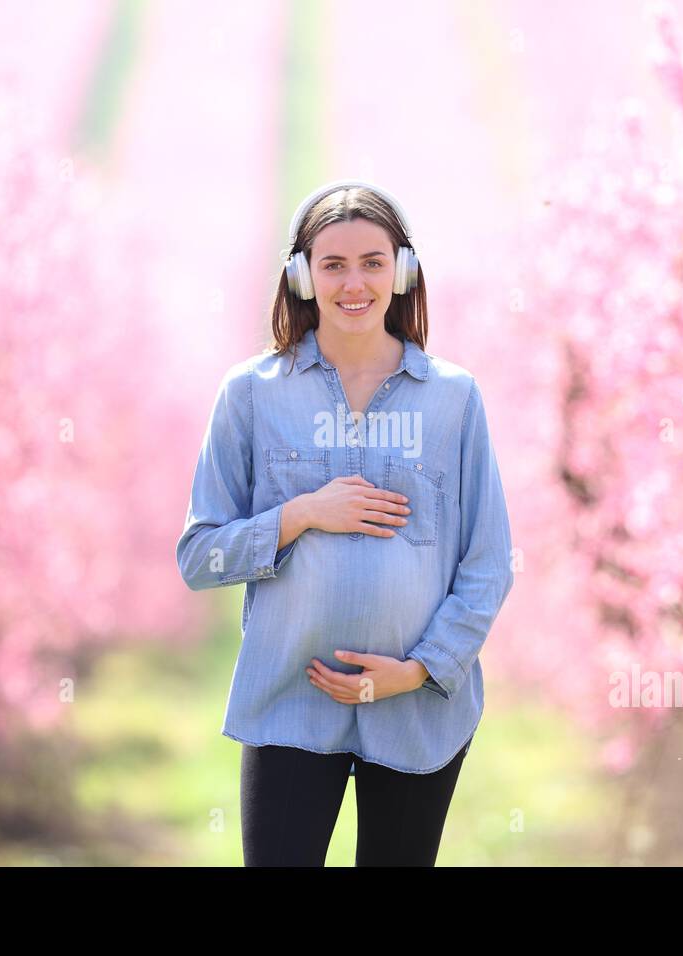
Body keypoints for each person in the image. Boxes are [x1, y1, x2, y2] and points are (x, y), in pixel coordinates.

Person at [176, 179, 514, 866]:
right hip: (288, 706)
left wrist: (419, 670)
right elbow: (199, 557)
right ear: (301, 276)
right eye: (332, 264)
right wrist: (300, 514)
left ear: (403, 271)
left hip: (418, 712)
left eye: (372, 262)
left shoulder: (454, 400)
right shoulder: (248, 395)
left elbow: (488, 562)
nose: (353, 282)